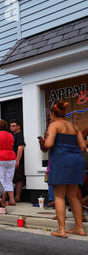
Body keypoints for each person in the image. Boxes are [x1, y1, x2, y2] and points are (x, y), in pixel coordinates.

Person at [38, 100, 86, 238]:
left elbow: (49, 143)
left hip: (61, 160)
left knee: (59, 195)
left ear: (53, 113)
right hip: (76, 161)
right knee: (73, 195)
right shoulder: (73, 126)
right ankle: (79, 228)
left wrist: (43, 142)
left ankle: (62, 230)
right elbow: (82, 146)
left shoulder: (54, 125)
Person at [10, 120, 26, 203]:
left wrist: (17, 160)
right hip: (12, 160)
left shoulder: (19, 135)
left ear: (18, 126)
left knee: (18, 179)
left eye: (13, 126)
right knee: (14, 178)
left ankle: (17, 197)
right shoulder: (13, 135)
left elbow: (21, 147)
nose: (11, 127)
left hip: (18, 160)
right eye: (11, 126)